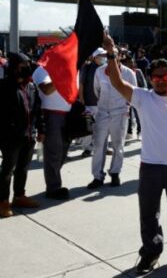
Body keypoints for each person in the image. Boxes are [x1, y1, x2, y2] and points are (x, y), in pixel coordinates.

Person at [102, 33, 167, 274]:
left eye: (166, 75)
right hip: (149, 167)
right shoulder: (143, 97)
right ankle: (150, 252)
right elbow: (118, 83)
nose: (161, 80)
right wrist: (111, 55)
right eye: (156, 76)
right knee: (148, 215)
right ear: (149, 79)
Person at [0, 53, 45, 218]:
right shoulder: (4, 87)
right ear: (13, 67)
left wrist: (41, 130)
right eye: (22, 65)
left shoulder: (31, 87)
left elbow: (37, 111)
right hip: (10, 137)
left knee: (23, 168)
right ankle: (3, 201)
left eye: (27, 65)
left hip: (28, 135)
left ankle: (19, 196)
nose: (26, 68)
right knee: (7, 170)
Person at [87, 48, 137, 189]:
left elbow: (134, 92)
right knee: (98, 145)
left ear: (120, 56)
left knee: (118, 145)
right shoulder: (99, 71)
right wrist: (101, 106)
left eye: (113, 55)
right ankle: (97, 176)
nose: (109, 57)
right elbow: (96, 89)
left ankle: (115, 173)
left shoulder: (128, 73)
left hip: (120, 112)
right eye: (107, 55)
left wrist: (126, 108)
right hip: (102, 112)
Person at [32, 64, 72, 200]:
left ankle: (53, 181)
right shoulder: (41, 70)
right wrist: (63, 76)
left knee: (62, 152)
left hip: (68, 115)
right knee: (53, 153)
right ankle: (53, 188)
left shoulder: (70, 67)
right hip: (51, 115)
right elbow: (47, 90)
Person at [78, 48, 107, 157]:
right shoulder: (87, 67)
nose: (104, 58)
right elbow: (81, 83)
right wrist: (81, 98)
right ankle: (87, 148)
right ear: (95, 57)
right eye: (101, 56)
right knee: (88, 126)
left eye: (104, 56)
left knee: (101, 127)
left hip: (102, 103)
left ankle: (101, 147)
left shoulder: (105, 68)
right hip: (89, 102)